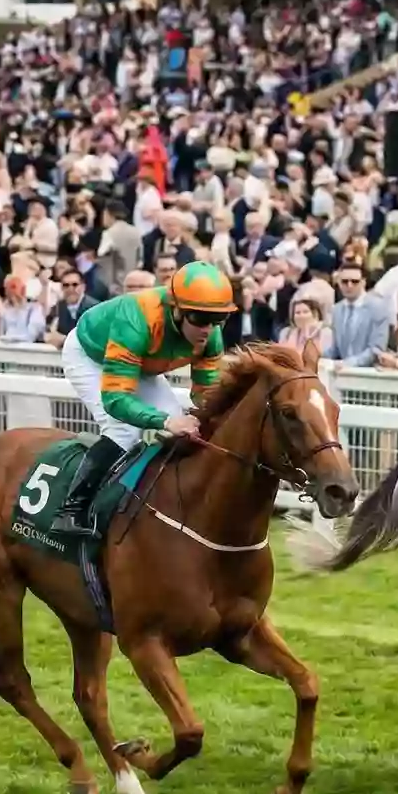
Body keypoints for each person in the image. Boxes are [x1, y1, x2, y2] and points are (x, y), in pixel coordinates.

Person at [57, 262, 237, 616]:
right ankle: (73, 508)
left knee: (180, 435)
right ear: (176, 310)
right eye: (199, 319)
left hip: (141, 362)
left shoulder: (209, 335)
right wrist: (166, 419)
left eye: (218, 320)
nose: (208, 329)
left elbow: (204, 396)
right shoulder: (136, 318)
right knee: (124, 430)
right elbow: (115, 400)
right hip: (92, 355)